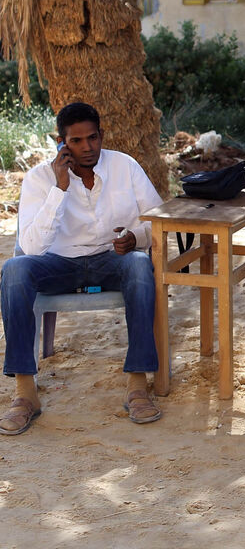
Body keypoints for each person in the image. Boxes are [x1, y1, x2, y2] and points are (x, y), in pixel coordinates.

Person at [1, 103, 164, 434]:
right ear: (61, 143)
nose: (87, 147)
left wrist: (135, 238)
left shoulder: (125, 166)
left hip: (111, 259)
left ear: (101, 135)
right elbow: (31, 248)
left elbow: (159, 221)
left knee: (138, 264)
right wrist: (59, 189)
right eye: (76, 141)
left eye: (92, 138)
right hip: (58, 264)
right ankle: (25, 393)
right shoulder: (39, 179)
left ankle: (137, 385)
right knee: (14, 270)